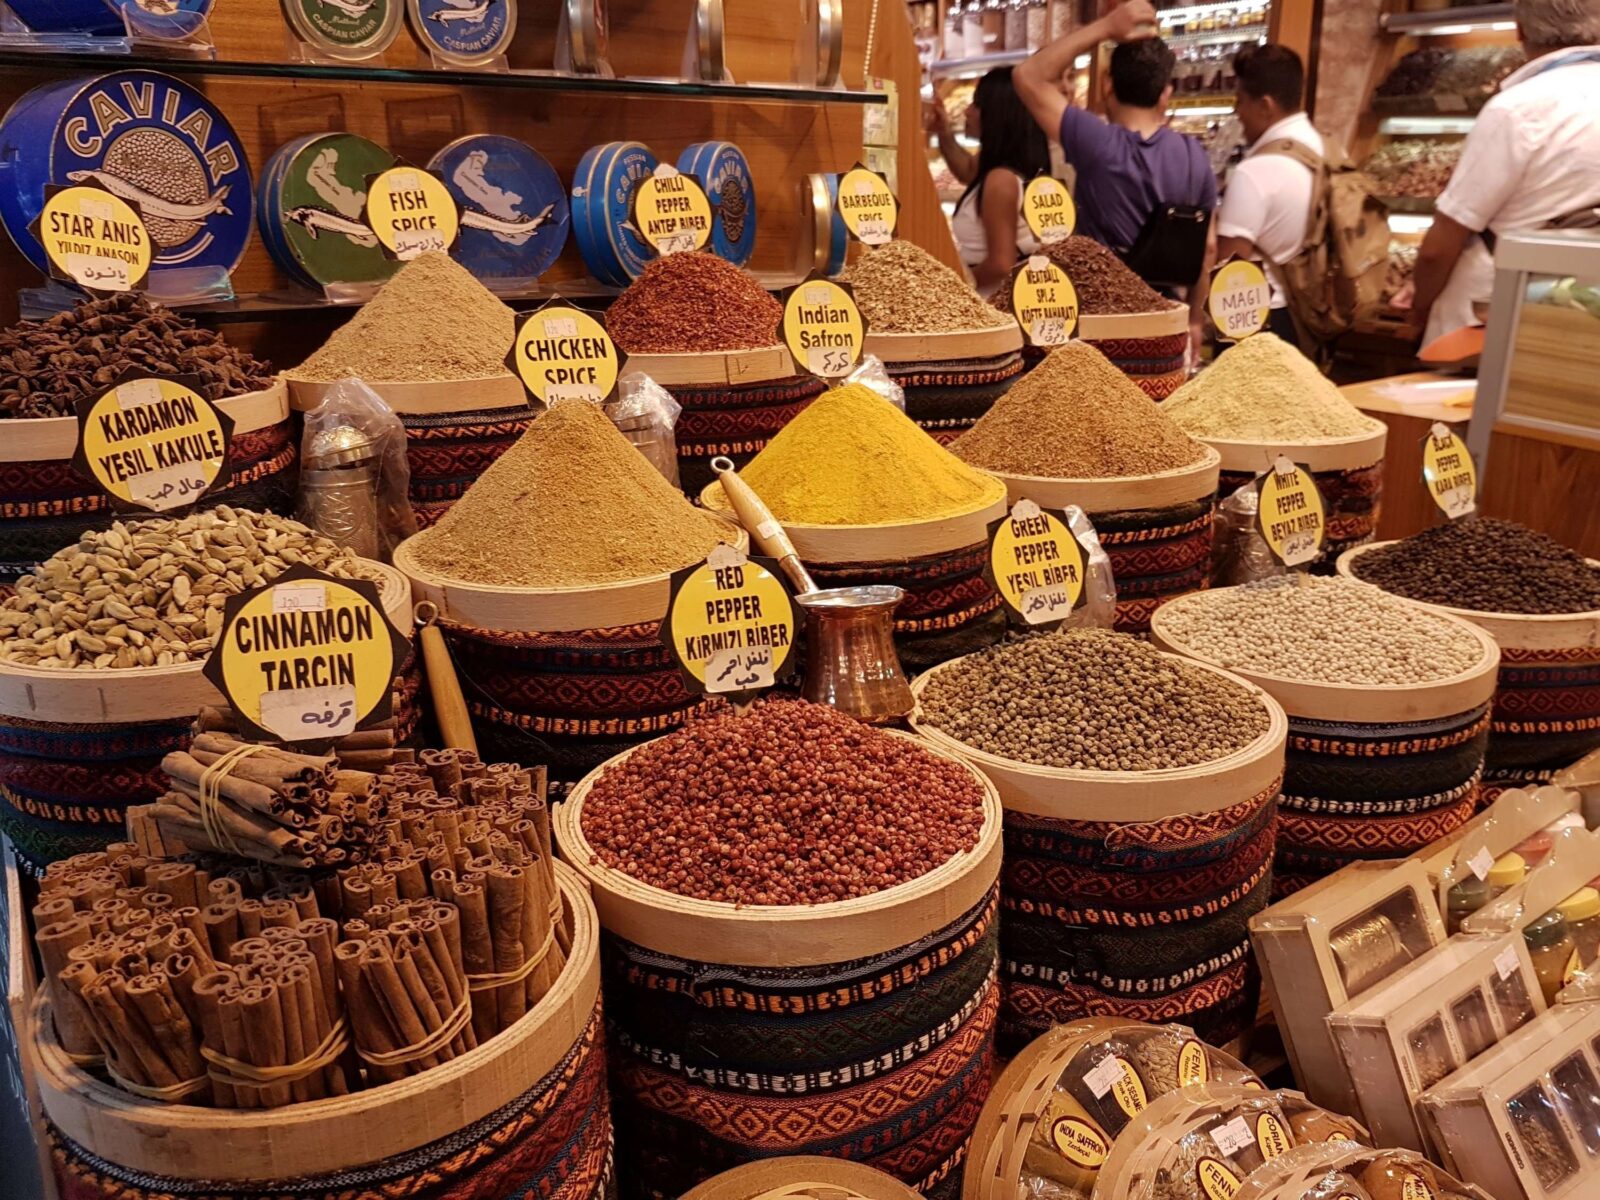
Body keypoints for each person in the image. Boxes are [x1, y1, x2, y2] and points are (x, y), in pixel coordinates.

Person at [1014, 0, 1217, 351]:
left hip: (1103, 321)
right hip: (1167, 320)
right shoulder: (1193, 154)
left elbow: (1027, 76)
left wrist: (1105, 28)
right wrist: (1195, 320)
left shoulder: (1097, 143)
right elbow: (1208, 248)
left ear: (1107, 85)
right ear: (1165, 93)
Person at [1399, 0, 1600, 345]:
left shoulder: (1516, 108)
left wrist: (1420, 306)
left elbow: (1441, 243)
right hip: (1587, 307)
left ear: (1519, 29)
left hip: (1495, 309)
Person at [1215, 44, 1323, 342]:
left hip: (1263, 322)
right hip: (1312, 316)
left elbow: (1229, 274)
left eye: (1241, 101)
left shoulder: (1256, 171)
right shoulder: (1324, 151)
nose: (1238, 112)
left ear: (1265, 105)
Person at [928, 67, 1052, 296]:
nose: (967, 111)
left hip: (990, 303)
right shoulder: (1009, 169)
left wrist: (949, 290)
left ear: (996, 113)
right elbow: (967, 172)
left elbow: (1000, 264)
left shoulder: (1000, 180)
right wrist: (944, 133)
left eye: (976, 104)